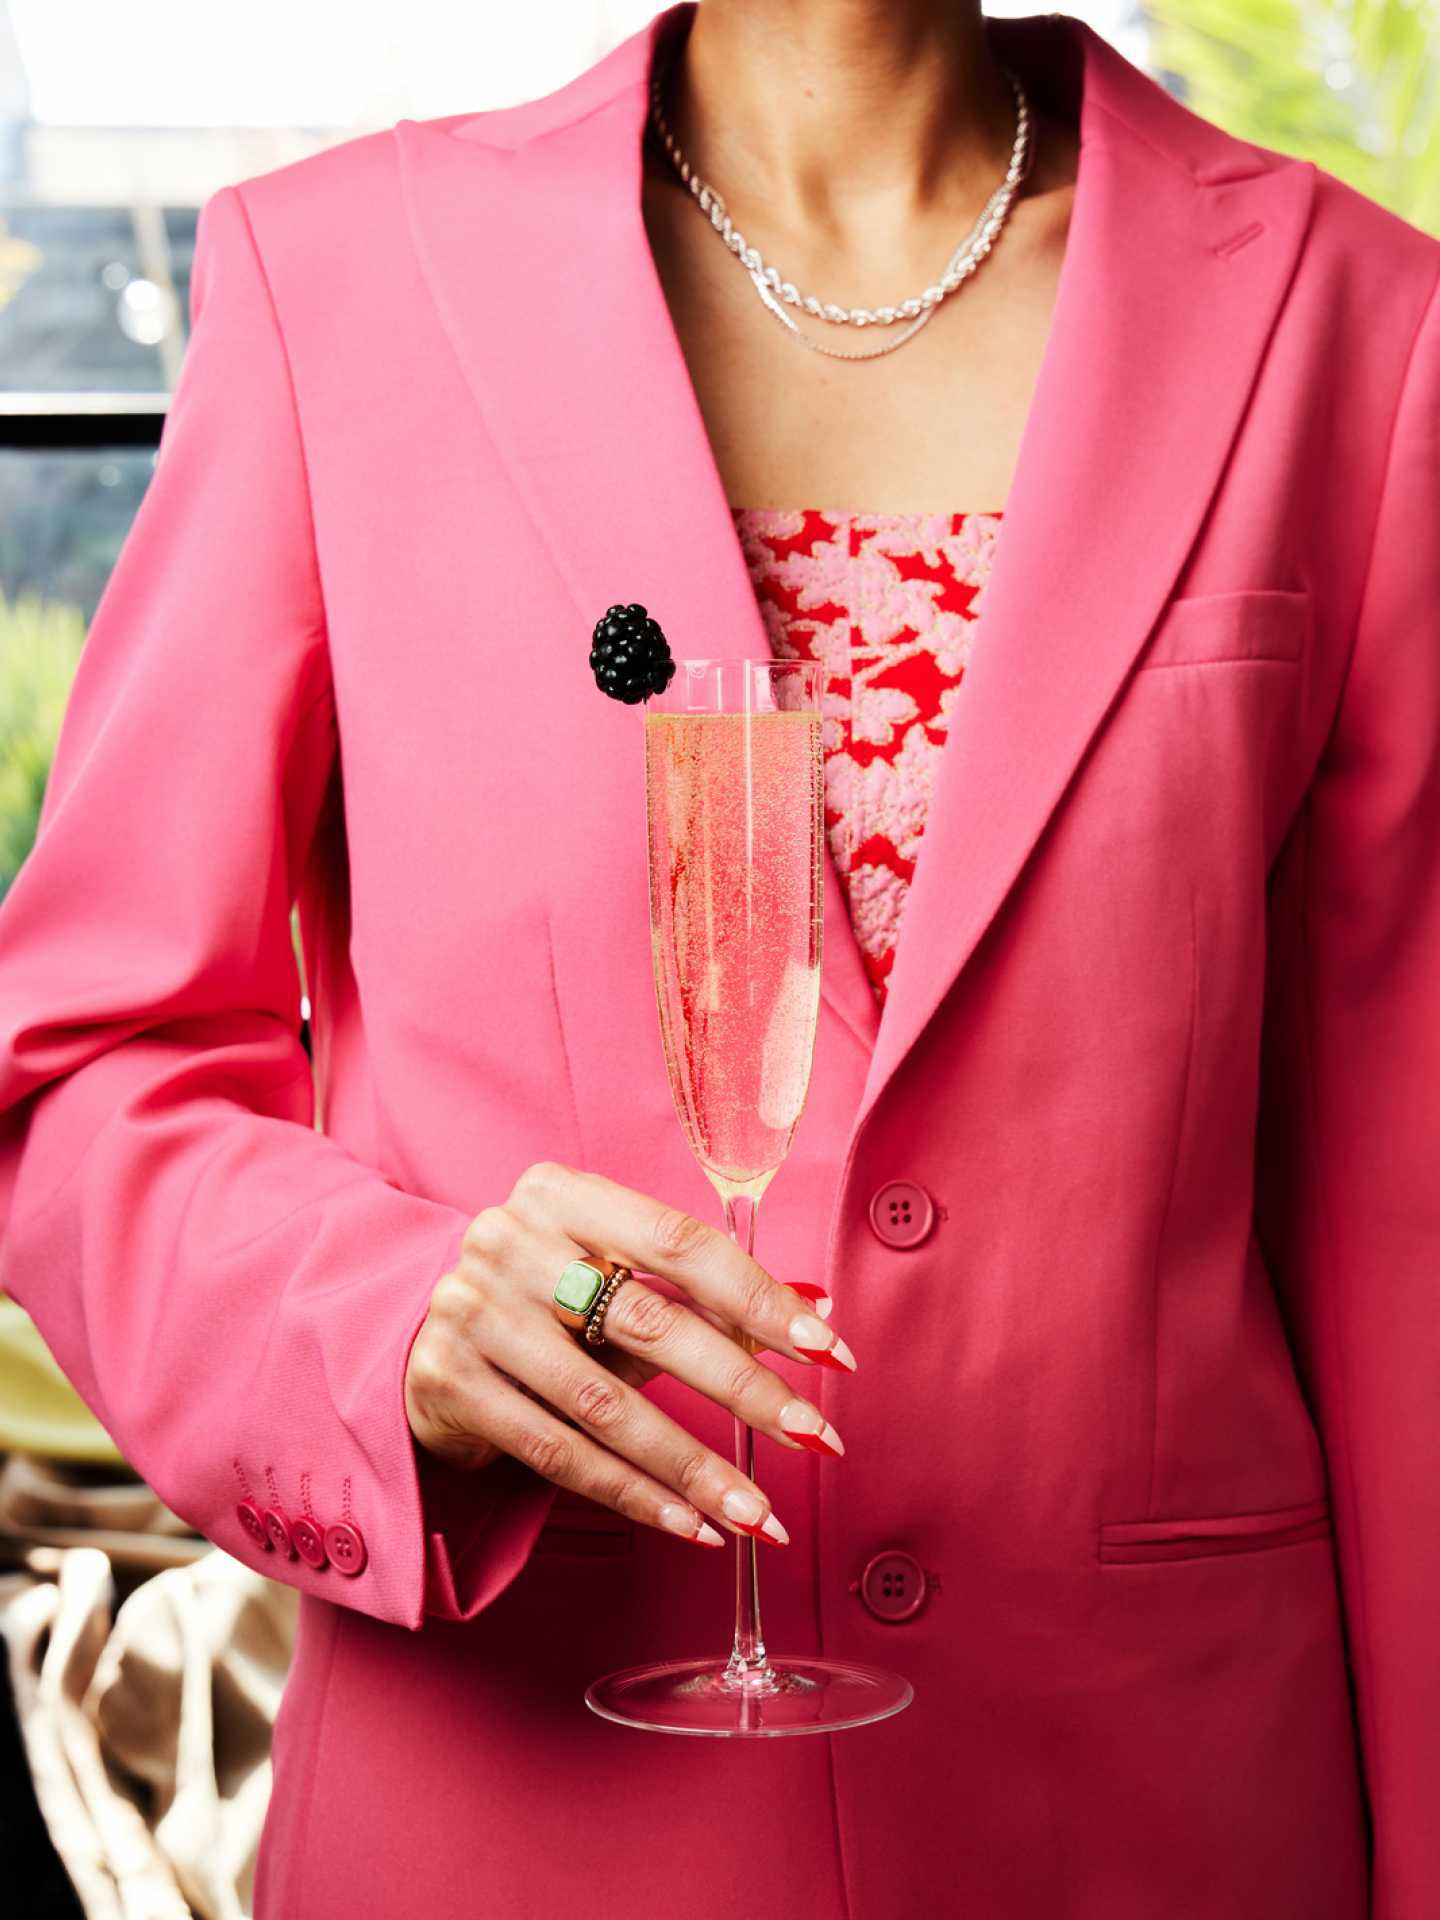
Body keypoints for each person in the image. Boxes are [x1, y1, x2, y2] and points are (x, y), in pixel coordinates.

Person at [0, 1, 1436, 1913]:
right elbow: (88, 1056)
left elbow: (1406, 1218)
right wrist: (376, 1315)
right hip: (520, 1796)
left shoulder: (1354, 318)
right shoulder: (330, 288)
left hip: (1163, 1804)